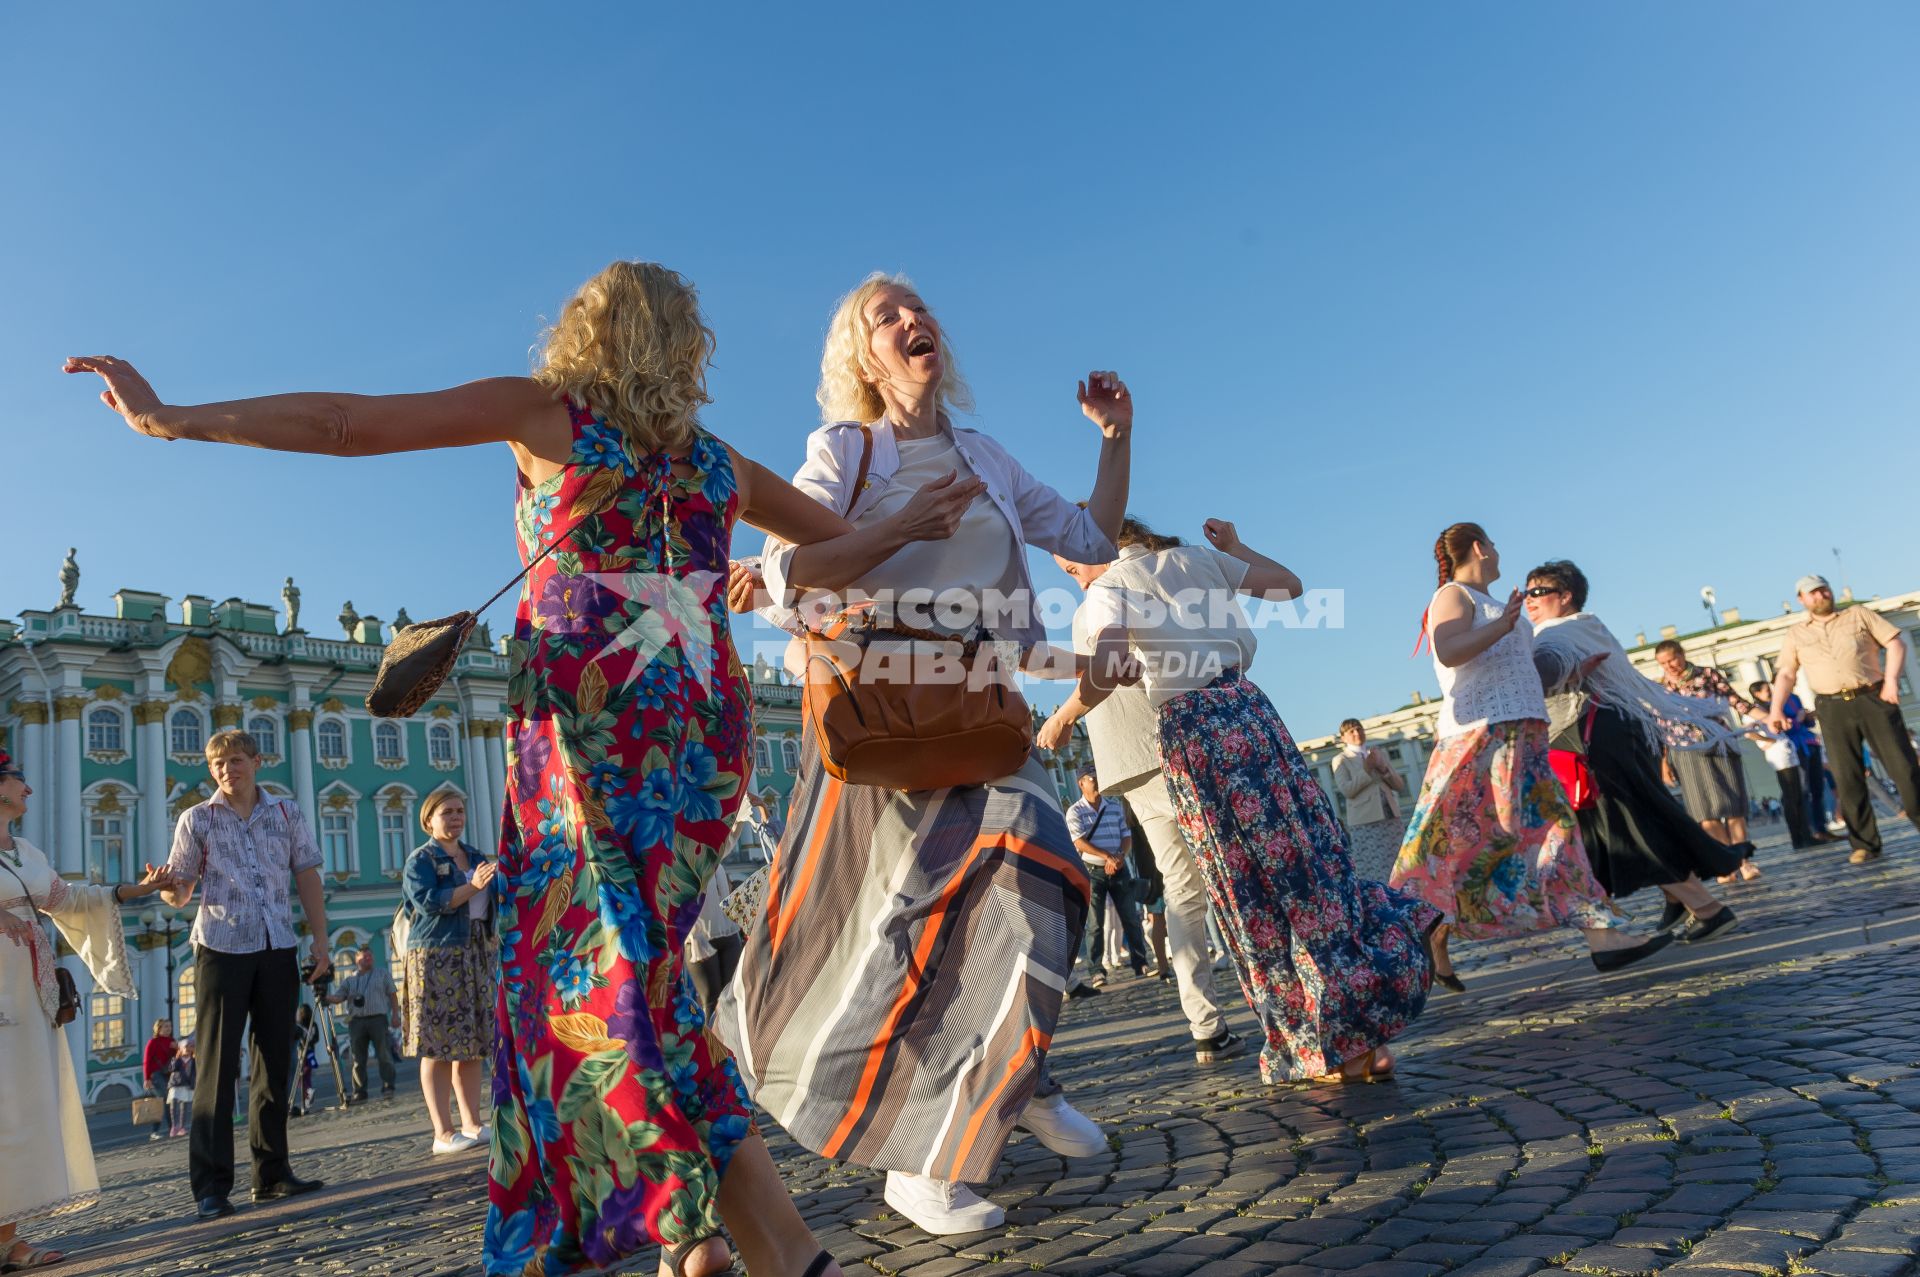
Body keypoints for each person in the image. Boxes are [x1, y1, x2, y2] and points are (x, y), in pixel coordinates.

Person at [69, 259, 927, 1277]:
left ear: (585, 331)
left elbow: (347, 422)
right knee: (632, 972)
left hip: (592, 722)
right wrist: (908, 531)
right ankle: (696, 1235)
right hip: (700, 727)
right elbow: (838, 543)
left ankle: (767, 1247)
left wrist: (174, 419)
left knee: (593, 978)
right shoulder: (717, 462)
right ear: (684, 344)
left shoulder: (549, 411)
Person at [715, 272, 1125, 1236]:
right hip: (892, 712)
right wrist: (901, 525)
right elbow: (784, 566)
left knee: (1045, 881)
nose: (911, 322)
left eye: (917, 309)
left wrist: (1115, 438)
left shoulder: (985, 454)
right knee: (895, 941)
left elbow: (1093, 533)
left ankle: (1013, 1080)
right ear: (863, 356)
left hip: (981, 705)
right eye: (885, 318)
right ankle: (923, 1164)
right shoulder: (846, 448)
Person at [1039, 517, 1438, 1084]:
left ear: (1093, 547)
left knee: (1248, 887)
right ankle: (1364, 1023)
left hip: (1195, 732)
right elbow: (1290, 586)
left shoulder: (1109, 591)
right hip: (1250, 710)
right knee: (1307, 866)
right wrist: (1236, 547)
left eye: (1073, 564)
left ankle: (1329, 1043)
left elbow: (1103, 669)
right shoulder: (1199, 560)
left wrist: (1062, 718)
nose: (1075, 577)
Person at [1392, 524, 1673, 989]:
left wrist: (1570, 673)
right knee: (1446, 851)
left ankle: (1602, 936)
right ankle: (1419, 936)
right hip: (1478, 740)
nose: (1499, 553)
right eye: (1494, 544)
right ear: (1480, 547)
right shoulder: (1454, 595)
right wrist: (1503, 625)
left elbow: (1514, 672)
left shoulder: (1503, 608)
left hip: (1524, 734)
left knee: (1551, 833)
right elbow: (1448, 647)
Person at [1056, 531, 1242, 1065]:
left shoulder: (1088, 609)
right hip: (1174, 748)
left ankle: (1206, 1023)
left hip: (1130, 766)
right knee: (1230, 871)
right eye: (1071, 573)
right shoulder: (1131, 587)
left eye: (1075, 568)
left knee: (1182, 887)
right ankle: (1273, 1000)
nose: (1079, 578)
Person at [0, 748, 177, 1269]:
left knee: (24, 1111)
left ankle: (7, 1239)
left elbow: (68, 900)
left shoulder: (24, 853)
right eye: (19, 780)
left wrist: (137, 889)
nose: (28, 790)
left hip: (28, 994)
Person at [145, 729, 331, 1220]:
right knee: (216, 1069)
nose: (228, 769)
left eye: (236, 760)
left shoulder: (287, 812)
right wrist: (165, 888)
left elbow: (307, 873)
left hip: (277, 946)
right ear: (211, 771)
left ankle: (271, 1174)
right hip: (221, 950)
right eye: (218, 763)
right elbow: (181, 892)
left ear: (257, 761)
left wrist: (321, 940)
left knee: (275, 1063)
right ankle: (210, 1187)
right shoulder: (196, 819)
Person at [1521, 561, 1740, 942]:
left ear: (1565, 596)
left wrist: (1512, 666)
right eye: (1526, 593)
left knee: (1628, 827)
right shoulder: (1585, 625)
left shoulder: (1561, 630)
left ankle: (1707, 908)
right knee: (1626, 825)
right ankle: (1679, 901)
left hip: (1591, 739)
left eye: (1538, 592)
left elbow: (1546, 668)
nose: (1529, 601)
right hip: (1608, 732)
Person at [1765, 574, 1920, 866]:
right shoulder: (1796, 633)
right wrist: (1775, 710)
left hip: (1873, 697)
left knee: (1904, 768)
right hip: (1832, 707)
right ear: (1802, 599)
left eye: (1823, 590)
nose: (1820, 596)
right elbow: (1786, 673)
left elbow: (1896, 644)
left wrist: (1891, 681)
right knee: (1847, 778)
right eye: (1812, 593)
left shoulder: (1858, 614)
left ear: (1830, 592)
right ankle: (1864, 844)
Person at [400, 790, 498, 1155]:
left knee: (471, 1044)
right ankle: (442, 1132)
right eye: (446, 812)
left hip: (474, 951)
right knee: (438, 1045)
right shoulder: (421, 859)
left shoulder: (475, 856)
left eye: (459, 811)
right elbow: (428, 903)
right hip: (436, 955)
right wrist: (472, 885)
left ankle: (472, 1123)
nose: (455, 817)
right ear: (429, 820)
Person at [1653, 639, 1763, 882]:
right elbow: (1662, 727)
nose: (1669, 666)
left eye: (1672, 659)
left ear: (1682, 654)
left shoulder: (1707, 675)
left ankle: (1744, 860)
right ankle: (1727, 863)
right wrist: (1663, 762)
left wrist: (1767, 716)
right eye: (1662, 663)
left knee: (1733, 805)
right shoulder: (1661, 688)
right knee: (1705, 811)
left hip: (1719, 742)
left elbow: (1735, 700)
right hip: (1685, 751)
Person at [1067, 769, 1150, 985]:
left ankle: (1140, 962)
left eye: (1098, 778)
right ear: (1081, 784)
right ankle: (1096, 970)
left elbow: (1126, 836)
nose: (1096, 782)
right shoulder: (1075, 812)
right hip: (1093, 871)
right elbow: (1079, 842)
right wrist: (1107, 857)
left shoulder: (1113, 806)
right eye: (1092, 779)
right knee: (1095, 923)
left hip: (1119, 868)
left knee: (1130, 917)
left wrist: (1119, 857)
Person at [1331, 720, 1409, 884]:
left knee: (1400, 863)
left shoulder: (1377, 754)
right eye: (1351, 731)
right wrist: (1366, 768)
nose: (1356, 733)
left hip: (1390, 817)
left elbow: (1399, 785)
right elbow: (1347, 790)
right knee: (1375, 868)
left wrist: (1384, 770)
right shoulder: (1341, 760)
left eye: (1359, 729)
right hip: (1365, 821)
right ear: (1343, 738)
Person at [1750, 681, 1818, 849]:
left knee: (1798, 795)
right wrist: (1770, 740)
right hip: (1779, 756)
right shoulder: (1754, 710)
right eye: (1767, 690)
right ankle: (1798, 837)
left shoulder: (1770, 707)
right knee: (1791, 796)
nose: (1770, 692)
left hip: (1789, 751)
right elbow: (1750, 732)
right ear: (1757, 694)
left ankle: (1805, 833)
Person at [326, 946, 398, 1101]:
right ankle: (360, 1090)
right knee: (358, 1058)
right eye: (365, 957)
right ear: (357, 959)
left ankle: (388, 1086)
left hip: (378, 1019)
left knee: (384, 1054)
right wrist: (326, 997)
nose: (369, 959)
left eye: (370, 957)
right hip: (356, 1022)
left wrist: (395, 1015)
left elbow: (392, 995)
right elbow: (339, 997)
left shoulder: (382, 974)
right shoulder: (350, 980)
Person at [142, 1018, 177, 1140]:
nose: (168, 1029)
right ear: (159, 1029)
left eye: (169, 1026)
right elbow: (146, 1061)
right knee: (165, 1100)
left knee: (168, 1101)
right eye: (165, 1027)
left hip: (167, 1074)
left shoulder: (172, 1041)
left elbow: (176, 1058)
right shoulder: (153, 1042)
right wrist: (147, 1079)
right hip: (155, 1075)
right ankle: (157, 1131)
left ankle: (171, 1128)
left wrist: (176, 1049)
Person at [289, 1005, 319, 1116]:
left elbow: (299, 1038)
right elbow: (317, 1038)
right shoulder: (314, 1024)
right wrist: (311, 1042)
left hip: (302, 1054)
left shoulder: (299, 1026)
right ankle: (307, 1101)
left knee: (299, 1078)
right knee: (307, 1077)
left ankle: (308, 1092)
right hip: (311, 1053)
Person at [168, 1041, 197, 1139]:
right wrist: (175, 1059)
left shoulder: (193, 1061)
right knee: (173, 1104)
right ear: (180, 1049)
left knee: (184, 1107)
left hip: (186, 1085)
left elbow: (195, 1073)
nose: (188, 1049)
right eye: (185, 1047)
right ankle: (174, 1126)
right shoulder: (177, 1060)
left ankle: (181, 1127)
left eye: (190, 1047)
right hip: (175, 1085)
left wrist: (193, 1084)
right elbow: (171, 1069)